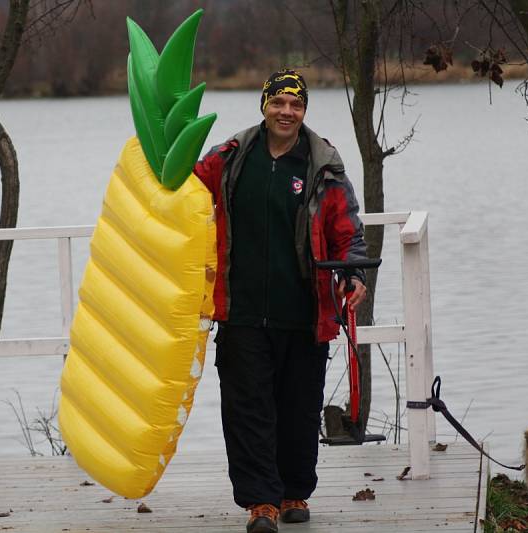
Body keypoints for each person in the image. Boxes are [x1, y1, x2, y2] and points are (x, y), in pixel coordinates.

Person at [194, 69, 369, 533]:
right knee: (248, 409)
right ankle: (261, 504)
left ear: (304, 111)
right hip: (242, 310)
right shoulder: (230, 157)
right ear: (264, 106)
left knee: (298, 408)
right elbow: (184, 193)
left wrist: (353, 274)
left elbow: (347, 229)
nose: (286, 112)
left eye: (295, 105)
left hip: (305, 311)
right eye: (278, 104)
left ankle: (293, 493)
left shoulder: (322, 164)